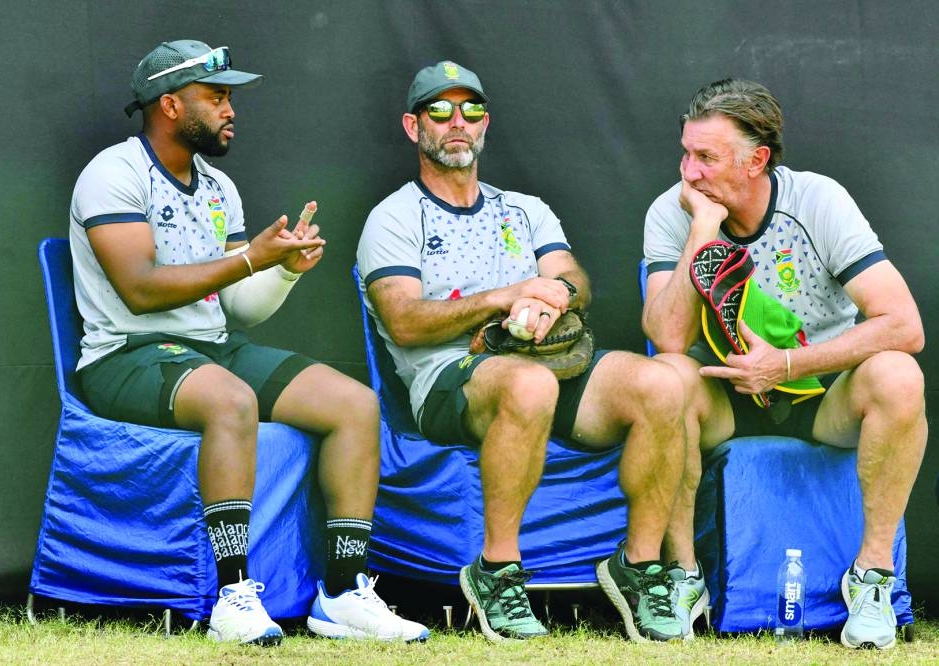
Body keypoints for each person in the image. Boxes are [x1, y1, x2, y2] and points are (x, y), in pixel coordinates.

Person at [69, 39, 428, 645]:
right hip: (124, 354)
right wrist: (248, 259)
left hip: (208, 349)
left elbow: (237, 310)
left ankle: (341, 594)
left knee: (355, 405)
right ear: (169, 105)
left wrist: (282, 270)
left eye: (230, 97)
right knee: (231, 399)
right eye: (216, 97)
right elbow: (140, 290)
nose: (230, 109)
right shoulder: (113, 173)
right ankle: (233, 597)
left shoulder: (218, 187)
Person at [357, 60, 689, 643]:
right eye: (439, 110)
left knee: (664, 383)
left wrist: (551, 297)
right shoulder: (392, 217)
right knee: (527, 386)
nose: (457, 122)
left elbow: (574, 280)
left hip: (549, 363)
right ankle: (496, 572)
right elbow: (404, 323)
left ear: (486, 123)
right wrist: (505, 297)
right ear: (414, 127)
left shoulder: (525, 209)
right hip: (448, 379)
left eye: (471, 109)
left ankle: (637, 567)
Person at [642, 78, 926, 649]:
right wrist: (702, 230)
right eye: (685, 153)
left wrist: (787, 364)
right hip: (723, 393)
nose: (688, 172)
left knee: (898, 374)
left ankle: (871, 579)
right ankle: (682, 575)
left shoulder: (817, 200)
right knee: (665, 379)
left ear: (757, 161)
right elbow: (668, 337)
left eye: (706, 158)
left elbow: (903, 324)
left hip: (818, 395)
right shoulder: (674, 212)